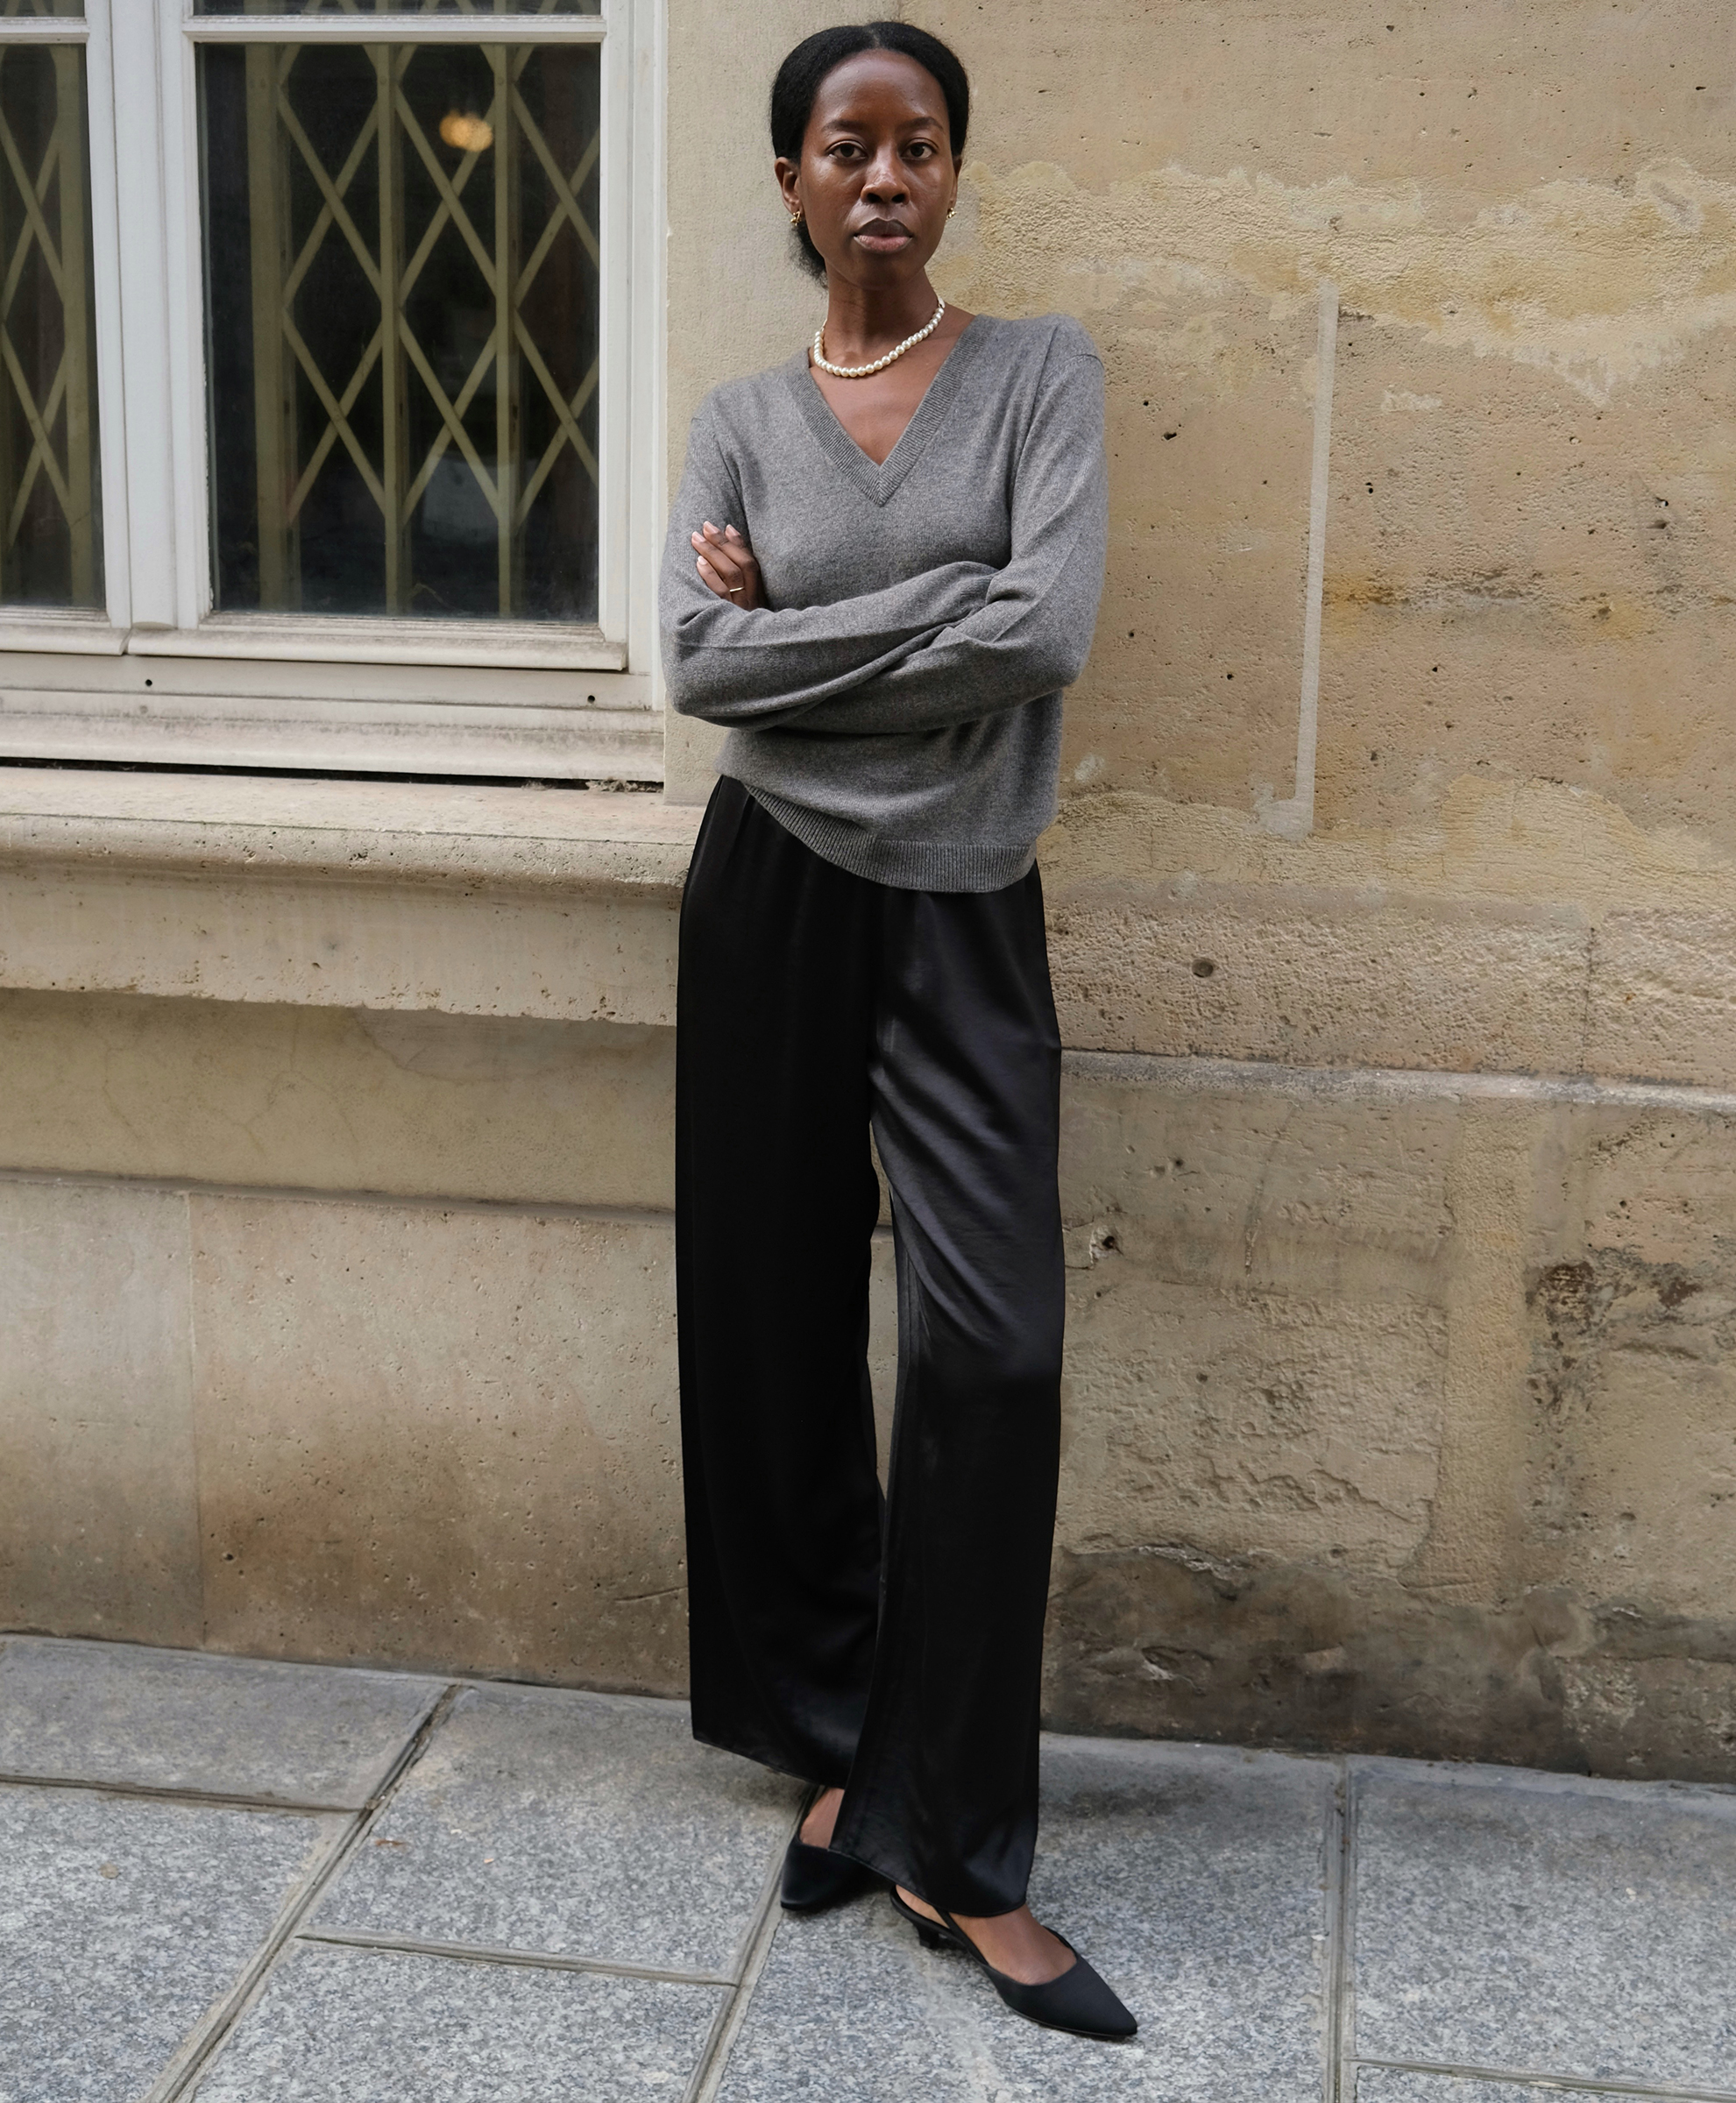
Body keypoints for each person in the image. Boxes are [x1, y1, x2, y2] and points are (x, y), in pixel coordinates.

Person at [660, 20, 1132, 2043]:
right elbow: (695, 665)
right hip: (767, 894)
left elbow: (1044, 625)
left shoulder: (1039, 375)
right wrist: (918, 616)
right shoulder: (738, 419)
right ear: (787, 183)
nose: (881, 175)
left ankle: (957, 1835)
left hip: (961, 909)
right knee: (766, 1321)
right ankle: (836, 1742)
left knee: (992, 1345)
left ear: (952, 177)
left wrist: (804, 646)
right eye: (844, 146)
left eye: (916, 144)